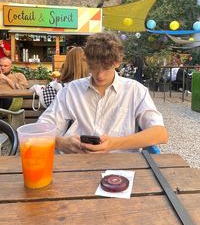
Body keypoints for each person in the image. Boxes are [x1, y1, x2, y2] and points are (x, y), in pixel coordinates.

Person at [38, 32, 168, 153]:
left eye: (106, 68)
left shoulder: (135, 91)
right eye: (94, 67)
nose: (100, 75)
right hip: (76, 163)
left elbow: (160, 133)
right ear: (87, 63)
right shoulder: (71, 90)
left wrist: (113, 144)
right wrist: (61, 143)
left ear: (117, 63)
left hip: (120, 168)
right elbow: (41, 128)